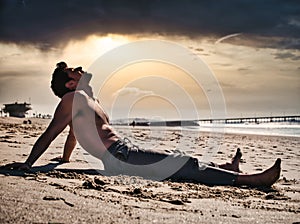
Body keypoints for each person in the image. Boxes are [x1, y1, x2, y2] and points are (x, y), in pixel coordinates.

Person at [2, 62, 281, 187]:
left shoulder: (87, 99)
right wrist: (29, 163)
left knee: (183, 163)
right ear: (70, 83)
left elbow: (72, 137)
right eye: (73, 70)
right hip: (121, 157)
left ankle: (226, 169)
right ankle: (250, 180)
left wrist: (63, 160)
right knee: (183, 164)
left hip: (124, 153)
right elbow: (51, 133)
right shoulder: (72, 99)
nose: (79, 67)